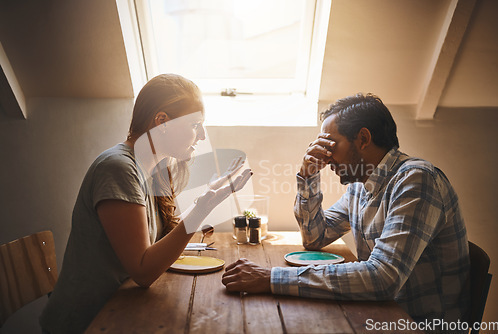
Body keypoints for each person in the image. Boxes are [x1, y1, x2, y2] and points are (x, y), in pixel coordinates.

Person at [222, 93, 470, 327]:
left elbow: (382, 278)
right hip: (379, 312)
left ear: (363, 139)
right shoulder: (362, 185)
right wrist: (308, 177)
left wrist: (270, 278)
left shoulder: (417, 181)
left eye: (330, 144)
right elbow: (315, 238)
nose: (326, 156)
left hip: (416, 325)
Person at [40, 74, 252, 334]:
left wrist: (206, 197)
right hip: (88, 321)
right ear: (162, 121)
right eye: (195, 124)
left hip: (122, 308)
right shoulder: (118, 169)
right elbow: (143, 271)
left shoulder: (153, 168)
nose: (201, 135)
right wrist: (203, 209)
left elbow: (159, 243)